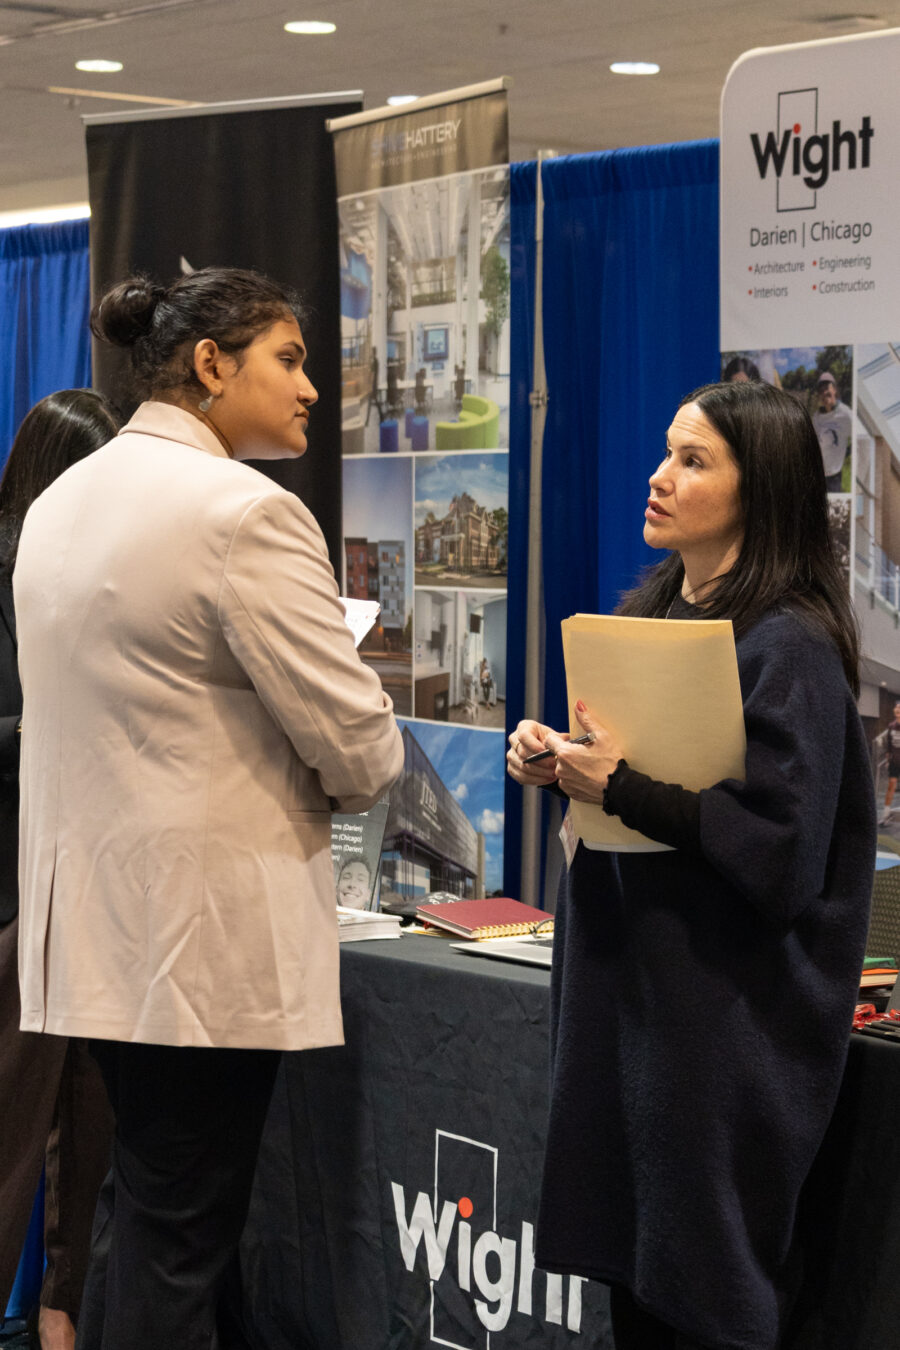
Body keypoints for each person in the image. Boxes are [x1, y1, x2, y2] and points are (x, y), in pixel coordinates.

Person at [13, 268, 404, 1350]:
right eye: (288, 359)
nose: (313, 389)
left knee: (146, 1214)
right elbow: (360, 744)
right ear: (210, 364)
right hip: (202, 945)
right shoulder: (244, 513)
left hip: (97, 935)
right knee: (179, 1239)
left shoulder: (59, 501)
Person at [507, 380, 875, 1350]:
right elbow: (641, 788)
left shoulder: (788, 645)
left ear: (766, 490)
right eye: (669, 453)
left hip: (720, 1040)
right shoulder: (666, 612)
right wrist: (563, 765)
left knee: (700, 1305)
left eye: (694, 460)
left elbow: (778, 853)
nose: (659, 478)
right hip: (642, 1021)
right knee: (641, 1293)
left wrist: (616, 785)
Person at [0, 389, 119, 1350]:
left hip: (89, 892)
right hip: (12, 901)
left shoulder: (90, 588)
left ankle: (61, 1318)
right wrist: (39, 734)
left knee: (87, 1133)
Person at [811, 370, 852, 493]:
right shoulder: (817, 416)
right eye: (821, 390)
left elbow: (858, 438)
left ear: (834, 390)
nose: (824, 393)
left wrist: (847, 452)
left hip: (833, 476)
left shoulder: (846, 414)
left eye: (827, 388)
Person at [880, 699, 900, 825]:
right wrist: (888, 760)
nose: (898, 710)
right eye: (897, 708)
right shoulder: (891, 726)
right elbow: (888, 746)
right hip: (894, 762)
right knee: (891, 786)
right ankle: (886, 814)